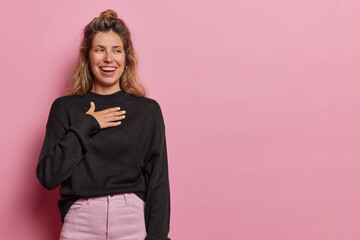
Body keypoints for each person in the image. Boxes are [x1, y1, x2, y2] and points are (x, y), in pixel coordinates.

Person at [36, 9, 171, 240]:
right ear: (88, 57)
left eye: (116, 50)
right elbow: (48, 176)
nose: (109, 58)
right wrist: (86, 124)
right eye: (100, 50)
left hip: (132, 220)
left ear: (125, 57)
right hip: (81, 222)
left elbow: (158, 181)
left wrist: (157, 237)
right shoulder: (65, 108)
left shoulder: (147, 111)